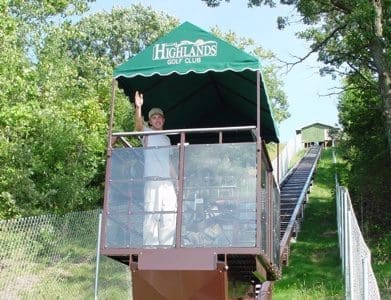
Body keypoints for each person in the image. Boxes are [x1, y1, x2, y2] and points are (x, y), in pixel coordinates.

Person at [134, 91, 177, 247]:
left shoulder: (167, 139)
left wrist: (176, 182)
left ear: (163, 120)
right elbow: (138, 126)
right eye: (154, 117)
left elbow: (169, 163)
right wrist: (138, 107)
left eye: (160, 117)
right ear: (150, 121)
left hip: (167, 183)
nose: (157, 120)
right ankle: (150, 248)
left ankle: (165, 248)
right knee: (152, 213)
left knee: (170, 213)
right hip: (153, 181)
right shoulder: (147, 133)